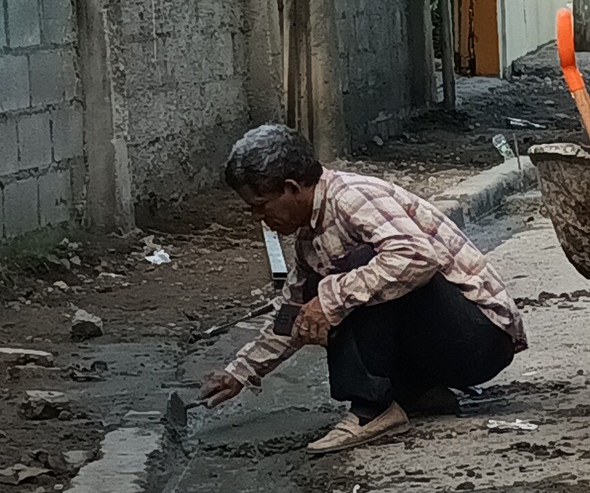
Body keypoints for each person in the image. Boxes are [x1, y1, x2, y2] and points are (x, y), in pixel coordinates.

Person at [199, 124, 527, 455]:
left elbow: (417, 257)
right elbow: (291, 313)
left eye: (261, 205)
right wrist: (241, 371)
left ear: (291, 188)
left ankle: (371, 409)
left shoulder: (352, 198)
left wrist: (330, 298)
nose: (259, 218)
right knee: (326, 287)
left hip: (480, 339)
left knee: (352, 273)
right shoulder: (309, 239)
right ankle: (417, 393)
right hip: (443, 345)